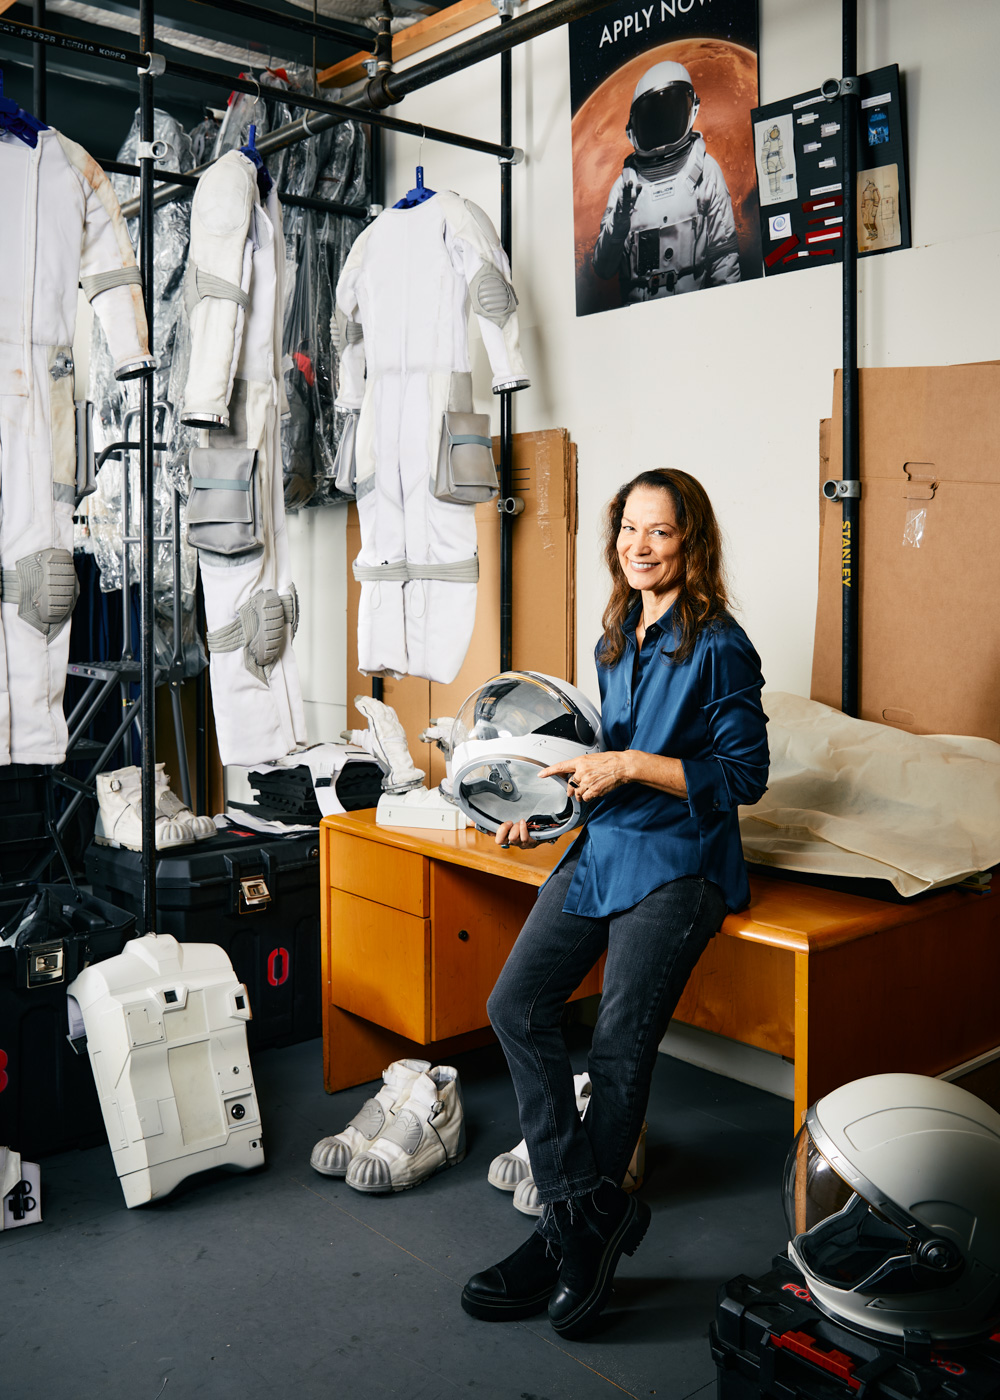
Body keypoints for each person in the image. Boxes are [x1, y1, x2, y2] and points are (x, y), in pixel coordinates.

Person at [461, 468, 769, 1339]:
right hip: (604, 846)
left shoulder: (720, 645)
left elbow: (744, 778)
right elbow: (595, 770)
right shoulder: (612, 638)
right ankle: (579, 1213)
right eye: (630, 529)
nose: (640, 546)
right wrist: (541, 812)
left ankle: (569, 1238)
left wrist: (630, 766)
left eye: (660, 532)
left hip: (684, 861)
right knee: (514, 1003)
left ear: (690, 543)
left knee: (618, 1041)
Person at [593, 61, 741, 302]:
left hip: (695, 313)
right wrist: (618, 224)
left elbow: (724, 258)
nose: (661, 124)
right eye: (653, 118)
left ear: (691, 109)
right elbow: (603, 268)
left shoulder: (705, 172)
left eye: (669, 113)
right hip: (639, 320)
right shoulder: (625, 187)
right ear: (634, 129)